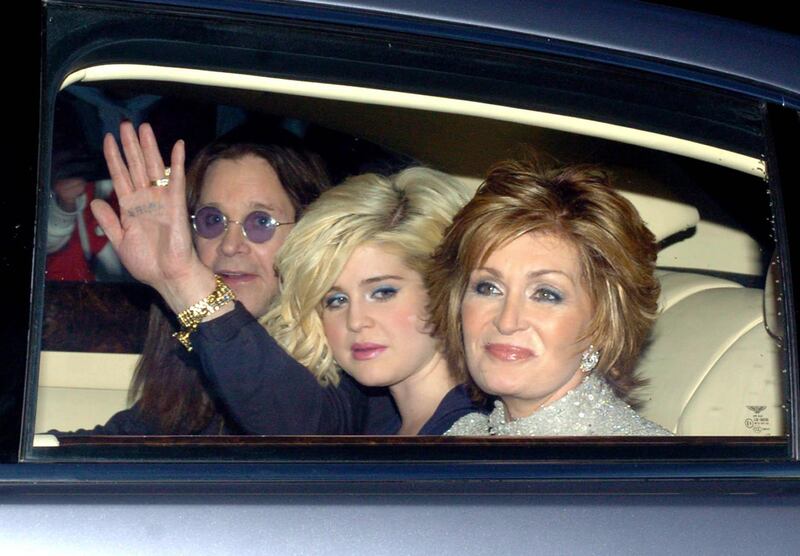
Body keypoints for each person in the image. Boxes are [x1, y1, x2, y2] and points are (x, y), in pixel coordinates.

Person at [65, 122, 334, 434]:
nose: (231, 245)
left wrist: (183, 279)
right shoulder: (194, 361)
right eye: (212, 220)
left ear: (308, 234)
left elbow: (294, 428)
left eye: (261, 221)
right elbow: (124, 448)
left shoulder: (350, 354)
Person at [425, 158, 671, 436]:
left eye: (545, 294)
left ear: (603, 325)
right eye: (489, 288)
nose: (507, 321)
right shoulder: (461, 435)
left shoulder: (640, 465)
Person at [261, 168, 480, 434]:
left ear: (443, 289)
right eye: (336, 300)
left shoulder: (471, 439)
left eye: (383, 293)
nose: (355, 321)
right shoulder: (384, 430)